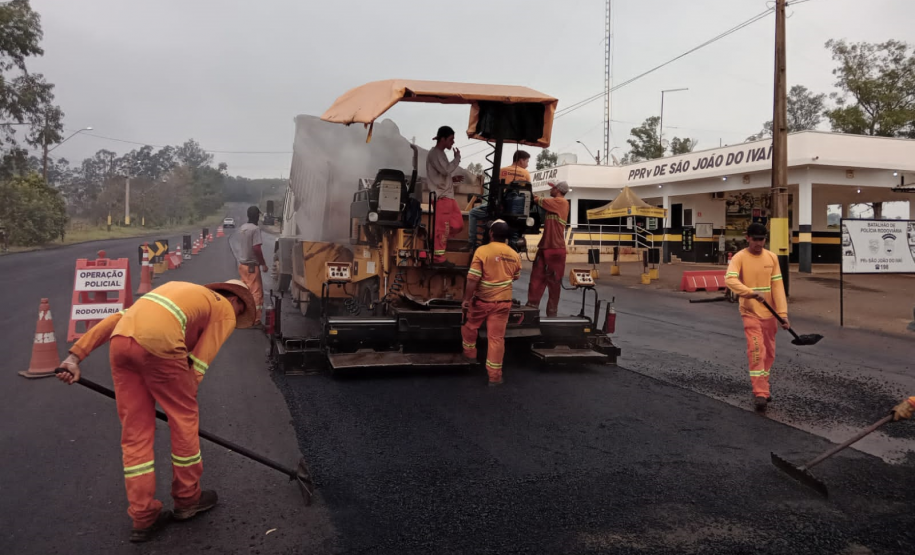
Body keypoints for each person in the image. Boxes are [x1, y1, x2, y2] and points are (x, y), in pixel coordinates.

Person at [56, 280, 256, 542]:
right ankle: (187, 499)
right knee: (184, 422)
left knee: (135, 432)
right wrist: (184, 396)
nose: (236, 317)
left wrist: (74, 358)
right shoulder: (226, 308)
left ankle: (143, 516)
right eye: (241, 312)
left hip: (122, 345)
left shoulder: (177, 292)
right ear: (236, 301)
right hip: (160, 343)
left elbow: (116, 320)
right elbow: (200, 358)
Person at [724, 222, 790, 412]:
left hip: (769, 314)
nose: (759, 244)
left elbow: (778, 288)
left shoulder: (772, 258)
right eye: (755, 240)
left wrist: (783, 315)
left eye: (762, 240)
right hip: (750, 312)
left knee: (769, 352)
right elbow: (730, 279)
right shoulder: (739, 258)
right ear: (748, 238)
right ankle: (760, 392)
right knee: (756, 349)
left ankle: (764, 384)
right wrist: (750, 293)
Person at [461, 220, 522, 386]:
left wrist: (466, 299)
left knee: (470, 327)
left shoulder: (482, 251)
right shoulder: (514, 254)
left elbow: (473, 279)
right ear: (507, 237)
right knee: (496, 339)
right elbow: (515, 276)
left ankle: (469, 356)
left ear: (491, 234)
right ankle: (495, 377)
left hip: (482, 302)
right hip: (503, 303)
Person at [467, 150, 531, 251]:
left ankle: (472, 243)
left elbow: (494, 189)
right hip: (516, 212)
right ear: (520, 160)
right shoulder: (525, 173)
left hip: (499, 207)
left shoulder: (501, 170)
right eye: (527, 162)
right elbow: (528, 192)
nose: (527, 165)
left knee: (473, 212)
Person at [526, 181, 571, 318]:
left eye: (552, 188)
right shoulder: (553, 204)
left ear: (557, 190)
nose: (550, 190)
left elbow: (538, 200)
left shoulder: (561, 202)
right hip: (545, 246)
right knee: (536, 279)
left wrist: (527, 190)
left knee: (554, 283)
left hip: (555, 249)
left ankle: (552, 314)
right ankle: (531, 311)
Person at [426, 125, 464, 265]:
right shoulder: (435, 153)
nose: (452, 142)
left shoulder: (440, 154)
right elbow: (446, 169)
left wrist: (451, 180)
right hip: (441, 197)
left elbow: (442, 174)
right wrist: (457, 158)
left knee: (457, 224)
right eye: (451, 139)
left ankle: (432, 237)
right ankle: (438, 258)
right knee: (444, 227)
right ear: (442, 139)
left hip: (448, 196)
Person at [232, 206, 268, 327]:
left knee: (245, 292)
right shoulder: (255, 229)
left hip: (242, 265)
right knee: (256, 293)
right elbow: (256, 248)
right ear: (257, 216)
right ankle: (255, 319)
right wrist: (263, 264)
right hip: (252, 267)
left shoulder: (243, 228)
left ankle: (243, 316)